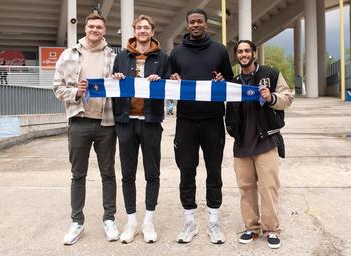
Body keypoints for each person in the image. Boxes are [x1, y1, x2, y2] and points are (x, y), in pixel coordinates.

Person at [53, 12, 118, 245]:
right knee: (78, 175)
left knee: (108, 174)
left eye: (99, 27)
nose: (95, 30)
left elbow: (122, 84)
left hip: (106, 123)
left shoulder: (113, 56)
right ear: (85, 28)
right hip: (79, 121)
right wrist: (76, 93)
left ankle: (109, 219)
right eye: (91, 26)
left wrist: (119, 78)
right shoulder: (68, 55)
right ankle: (77, 221)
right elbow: (57, 88)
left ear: (104, 30)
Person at [170, 8, 233, 244]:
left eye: (199, 21)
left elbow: (228, 80)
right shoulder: (176, 53)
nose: (195, 25)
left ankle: (214, 222)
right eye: (191, 22)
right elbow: (168, 83)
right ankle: (189, 222)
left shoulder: (219, 50)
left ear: (206, 24)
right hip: (185, 121)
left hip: (213, 120)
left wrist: (222, 80)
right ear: (187, 25)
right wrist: (173, 79)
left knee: (214, 171)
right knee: (187, 171)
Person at [225, 40, 293, 249]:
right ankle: (251, 228)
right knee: (246, 188)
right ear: (236, 56)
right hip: (242, 145)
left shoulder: (270, 74)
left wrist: (271, 97)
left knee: (268, 188)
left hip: (266, 142)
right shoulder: (234, 82)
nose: (244, 54)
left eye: (247, 51)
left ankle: (271, 229)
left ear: (254, 53)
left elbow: (288, 97)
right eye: (240, 52)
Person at [112, 15, 170, 244]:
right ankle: (131, 221)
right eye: (139, 27)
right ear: (134, 30)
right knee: (127, 173)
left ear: (152, 31)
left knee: (152, 173)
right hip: (126, 121)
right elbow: (113, 84)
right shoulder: (121, 57)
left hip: (151, 121)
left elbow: (170, 85)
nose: (143, 31)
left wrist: (161, 80)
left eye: (147, 27)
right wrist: (116, 78)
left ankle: (148, 221)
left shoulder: (163, 58)